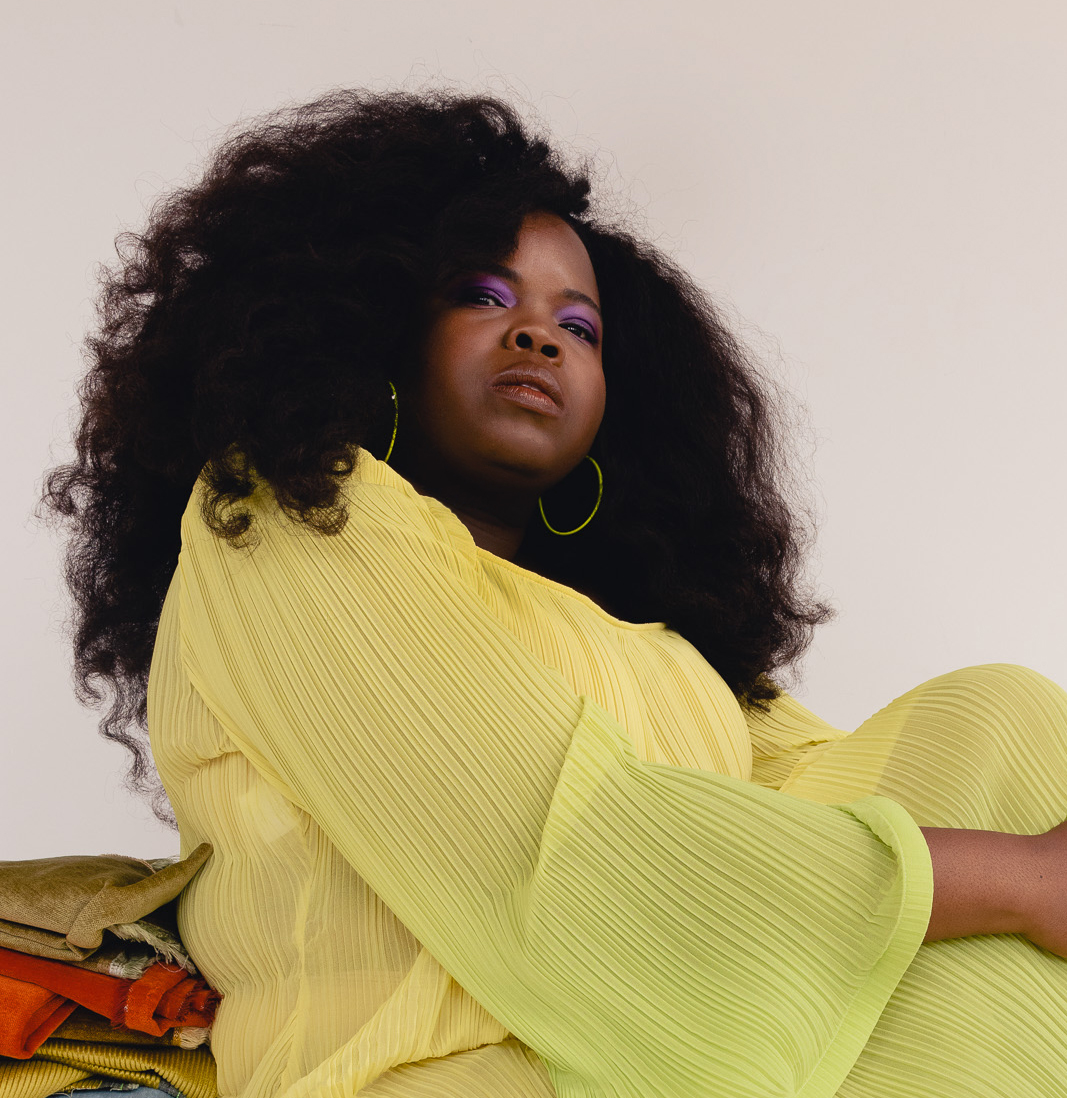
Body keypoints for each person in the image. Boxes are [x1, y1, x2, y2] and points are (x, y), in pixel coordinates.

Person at [39, 88, 1067, 1098]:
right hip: (436, 1079)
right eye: (483, 298)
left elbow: (814, 788)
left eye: (578, 327)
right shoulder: (288, 519)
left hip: (633, 1062)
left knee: (993, 718)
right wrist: (1022, 885)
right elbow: (564, 852)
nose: (537, 336)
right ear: (374, 330)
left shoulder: (637, 637)